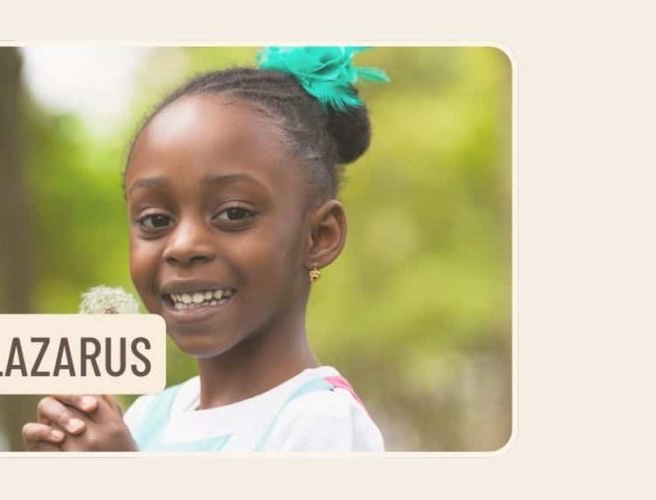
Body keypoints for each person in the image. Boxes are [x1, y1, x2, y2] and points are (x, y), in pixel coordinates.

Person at [22, 47, 388, 452]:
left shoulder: (320, 422)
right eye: (156, 220)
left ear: (319, 236)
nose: (183, 247)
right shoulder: (148, 417)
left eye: (233, 213)